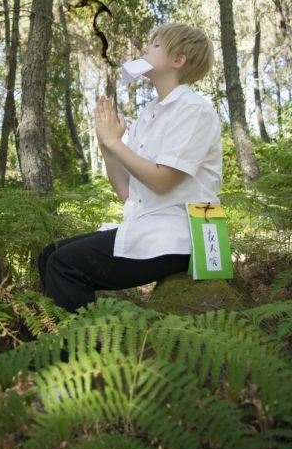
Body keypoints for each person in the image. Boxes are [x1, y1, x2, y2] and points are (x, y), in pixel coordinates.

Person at [37, 22, 223, 313]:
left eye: (156, 44)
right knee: (50, 254)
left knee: (64, 265)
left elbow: (162, 182)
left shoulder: (194, 109)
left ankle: (80, 355)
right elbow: (127, 192)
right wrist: (107, 145)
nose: (145, 49)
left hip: (178, 236)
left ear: (178, 60)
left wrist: (116, 143)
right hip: (147, 227)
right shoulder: (150, 113)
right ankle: (62, 342)